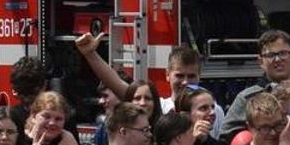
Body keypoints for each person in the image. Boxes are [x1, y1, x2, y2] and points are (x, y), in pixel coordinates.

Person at [74, 31, 202, 115]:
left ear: (199, 76)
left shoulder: (213, 110)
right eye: (179, 76)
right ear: (167, 75)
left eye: (191, 76)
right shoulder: (159, 108)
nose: (185, 82)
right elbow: (118, 86)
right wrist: (90, 54)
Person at [216, 30, 290, 140]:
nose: (278, 60)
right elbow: (225, 135)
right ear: (260, 62)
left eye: (283, 53)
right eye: (271, 55)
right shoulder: (247, 98)